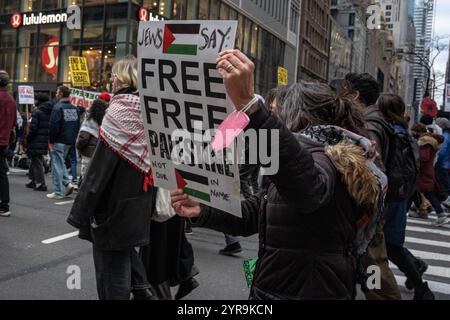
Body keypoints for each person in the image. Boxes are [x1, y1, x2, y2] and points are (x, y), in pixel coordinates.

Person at [172, 50, 386, 300]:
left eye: (275, 112)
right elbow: (257, 214)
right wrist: (204, 210)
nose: (274, 118)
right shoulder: (306, 156)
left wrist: (251, 107)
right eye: (270, 113)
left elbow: (309, 190)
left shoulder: (328, 157)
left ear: (297, 115)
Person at [68, 55, 157, 300]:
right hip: (139, 201)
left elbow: (99, 168)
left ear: (122, 77)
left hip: (113, 208)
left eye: (114, 75)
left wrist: (79, 212)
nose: (111, 80)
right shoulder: (151, 110)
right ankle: (141, 289)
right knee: (125, 259)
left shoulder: (120, 109)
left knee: (111, 276)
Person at [345, 73, 402, 300]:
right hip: (369, 212)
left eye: (345, 92)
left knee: (373, 267)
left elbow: (374, 172)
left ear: (355, 94)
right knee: (367, 265)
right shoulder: (375, 120)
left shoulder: (368, 124)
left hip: (368, 213)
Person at [375, 94, 435, 300]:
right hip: (399, 197)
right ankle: (417, 272)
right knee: (390, 245)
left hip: (390, 198)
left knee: (387, 246)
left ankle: (420, 285)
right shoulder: (405, 133)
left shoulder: (393, 134)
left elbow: (388, 169)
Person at [47, 86, 80, 200]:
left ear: (61, 94)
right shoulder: (75, 109)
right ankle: (68, 183)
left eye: (57, 92)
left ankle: (58, 192)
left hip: (59, 140)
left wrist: (51, 140)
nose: (56, 94)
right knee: (61, 163)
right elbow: (77, 126)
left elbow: (53, 126)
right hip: (70, 140)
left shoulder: (58, 108)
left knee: (56, 165)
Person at [25, 93, 53, 192]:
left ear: (39, 101)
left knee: (37, 161)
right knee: (35, 159)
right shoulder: (50, 111)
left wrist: (28, 137)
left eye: (35, 100)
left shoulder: (37, 112)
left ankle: (41, 183)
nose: (34, 102)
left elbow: (33, 128)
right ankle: (33, 180)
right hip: (44, 139)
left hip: (36, 139)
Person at [76, 99, 107, 182]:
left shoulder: (89, 121)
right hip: (100, 153)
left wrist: (79, 147)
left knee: (86, 176)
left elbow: (83, 139)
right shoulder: (105, 121)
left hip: (88, 153)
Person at [0, 70, 17, 217]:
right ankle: (4, 205)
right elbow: (14, 123)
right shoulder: (11, 100)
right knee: (2, 173)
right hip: (4, 140)